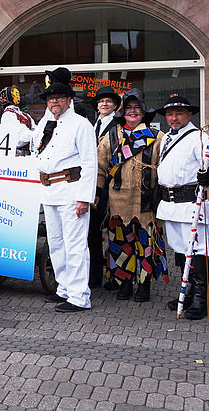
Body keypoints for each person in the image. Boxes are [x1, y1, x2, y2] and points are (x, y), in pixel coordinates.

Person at [33, 67, 97, 313]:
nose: (54, 101)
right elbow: (34, 147)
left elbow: (90, 163)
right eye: (50, 98)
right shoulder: (46, 123)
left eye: (59, 97)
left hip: (71, 190)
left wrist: (84, 198)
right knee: (56, 243)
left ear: (69, 99)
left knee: (75, 244)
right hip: (49, 190)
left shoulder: (81, 124)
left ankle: (80, 296)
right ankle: (64, 289)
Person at [96, 89, 167, 303]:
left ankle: (144, 286)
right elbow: (100, 169)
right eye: (129, 108)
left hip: (146, 202)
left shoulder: (158, 137)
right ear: (122, 112)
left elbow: (165, 169)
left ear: (144, 111)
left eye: (137, 108)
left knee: (145, 245)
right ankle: (124, 283)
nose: (133, 112)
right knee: (121, 244)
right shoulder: (110, 136)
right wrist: (97, 196)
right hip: (117, 202)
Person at [156, 94, 209, 320]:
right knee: (181, 251)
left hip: (191, 203)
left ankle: (201, 298)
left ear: (189, 115)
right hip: (170, 204)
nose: (174, 118)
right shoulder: (166, 139)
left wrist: (208, 176)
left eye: (179, 114)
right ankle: (188, 291)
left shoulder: (199, 137)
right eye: (170, 114)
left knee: (198, 251)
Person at [89, 85, 122, 289]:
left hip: (112, 185)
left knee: (114, 232)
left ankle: (116, 277)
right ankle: (95, 276)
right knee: (93, 232)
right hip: (94, 186)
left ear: (115, 106)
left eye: (108, 101)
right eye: (101, 101)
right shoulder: (93, 125)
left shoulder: (118, 126)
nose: (104, 104)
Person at [0, 85, 36, 155]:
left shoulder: (25, 115)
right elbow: (18, 135)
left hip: (29, 154)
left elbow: (34, 129)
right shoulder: (8, 115)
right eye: (15, 94)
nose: (18, 96)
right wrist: (36, 134)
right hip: (17, 156)